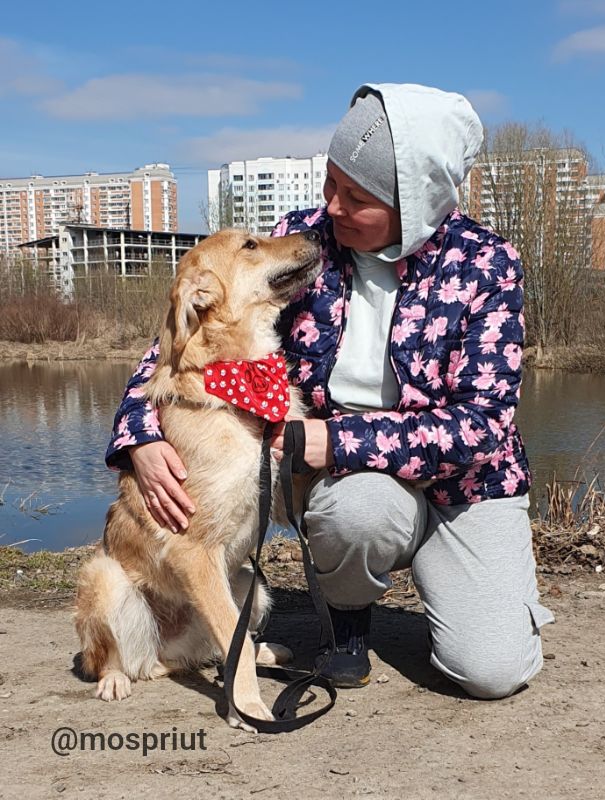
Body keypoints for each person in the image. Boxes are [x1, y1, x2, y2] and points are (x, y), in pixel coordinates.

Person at [106, 83, 554, 699]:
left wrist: (332, 438)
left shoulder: (487, 266)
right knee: (356, 512)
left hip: (465, 485)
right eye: (330, 183)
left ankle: (460, 570)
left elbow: (480, 427)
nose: (332, 206)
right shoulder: (305, 244)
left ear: (417, 203)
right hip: (357, 485)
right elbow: (178, 351)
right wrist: (139, 435)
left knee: (492, 670)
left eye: (356, 196)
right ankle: (348, 620)